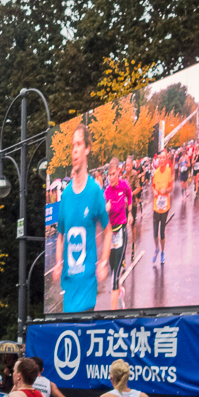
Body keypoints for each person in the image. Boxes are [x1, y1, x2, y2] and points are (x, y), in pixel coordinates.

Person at [50, 123, 111, 313]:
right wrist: (58, 263)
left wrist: (103, 261)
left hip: (87, 286)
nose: (74, 151)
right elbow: (60, 235)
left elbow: (108, 230)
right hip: (69, 287)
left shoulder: (94, 191)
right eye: (72, 146)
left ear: (87, 149)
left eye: (78, 145)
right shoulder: (66, 195)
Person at [103, 158, 134, 310]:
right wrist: (106, 208)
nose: (111, 177)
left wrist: (130, 212)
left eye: (114, 174)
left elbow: (129, 196)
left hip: (121, 230)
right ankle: (120, 291)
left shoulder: (124, 185)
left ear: (118, 173)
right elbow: (105, 214)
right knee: (112, 271)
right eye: (109, 175)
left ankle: (113, 314)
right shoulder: (107, 191)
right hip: (111, 234)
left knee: (115, 275)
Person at [152, 151, 174, 263]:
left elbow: (171, 187)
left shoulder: (169, 171)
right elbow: (152, 186)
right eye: (160, 158)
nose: (161, 160)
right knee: (154, 232)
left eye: (163, 158)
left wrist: (166, 190)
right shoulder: (155, 173)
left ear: (166, 160)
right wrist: (154, 191)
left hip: (165, 206)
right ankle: (156, 248)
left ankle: (162, 252)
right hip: (156, 207)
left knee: (162, 232)